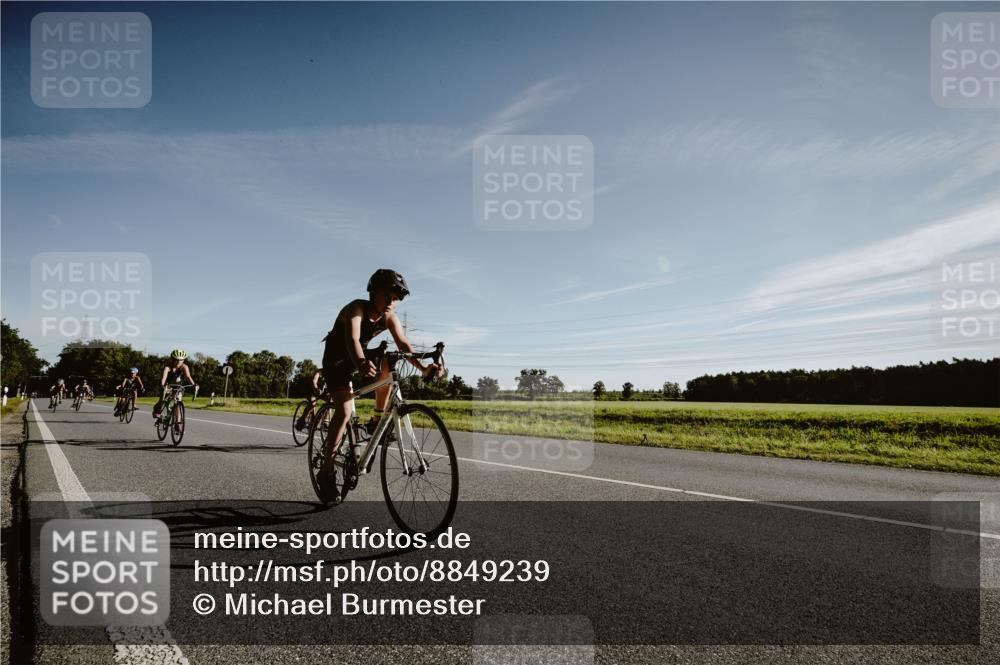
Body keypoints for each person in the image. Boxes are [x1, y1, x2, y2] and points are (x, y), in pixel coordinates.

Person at [317, 269, 443, 496]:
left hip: (360, 356)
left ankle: (377, 420)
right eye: (386, 295)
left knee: (391, 358)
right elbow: (352, 338)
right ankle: (326, 470)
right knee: (344, 411)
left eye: (395, 299)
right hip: (337, 359)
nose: (390, 303)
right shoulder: (356, 308)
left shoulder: (389, 317)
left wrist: (423, 368)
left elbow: (404, 345)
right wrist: (362, 363)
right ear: (373, 293)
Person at [152, 349, 198, 419]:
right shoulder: (168, 367)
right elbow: (163, 377)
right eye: (177, 360)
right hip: (168, 385)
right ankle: (157, 410)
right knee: (163, 400)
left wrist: (194, 384)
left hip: (178, 386)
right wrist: (163, 385)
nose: (179, 362)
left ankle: (178, 422)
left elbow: (188, 377)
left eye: (181, 360)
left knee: (178, 403)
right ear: (173, 359)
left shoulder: (184, 367)